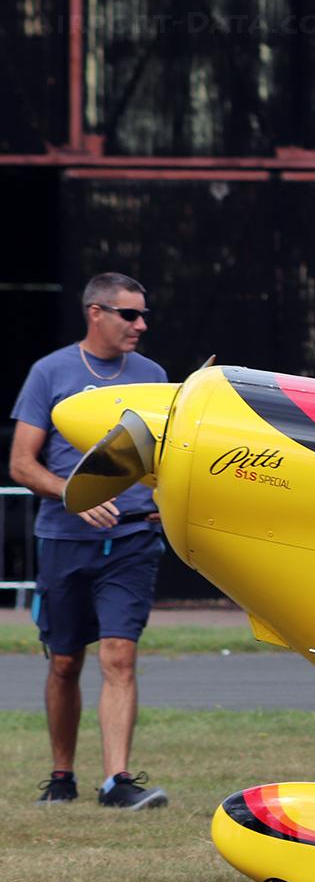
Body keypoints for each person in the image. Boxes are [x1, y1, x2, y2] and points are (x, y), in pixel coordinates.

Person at [7, 272, 171, 808]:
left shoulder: (151, 375)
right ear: (95, 313)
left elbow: (168, 456)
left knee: (119, 656)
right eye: (130, 315)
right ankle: (61, 777)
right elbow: (22, 464)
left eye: (143, 315)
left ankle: (117, 783)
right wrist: (72, 493)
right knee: (64, 661)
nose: (140, 325)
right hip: (63, 539)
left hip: (131, 542)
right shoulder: (49, 372)